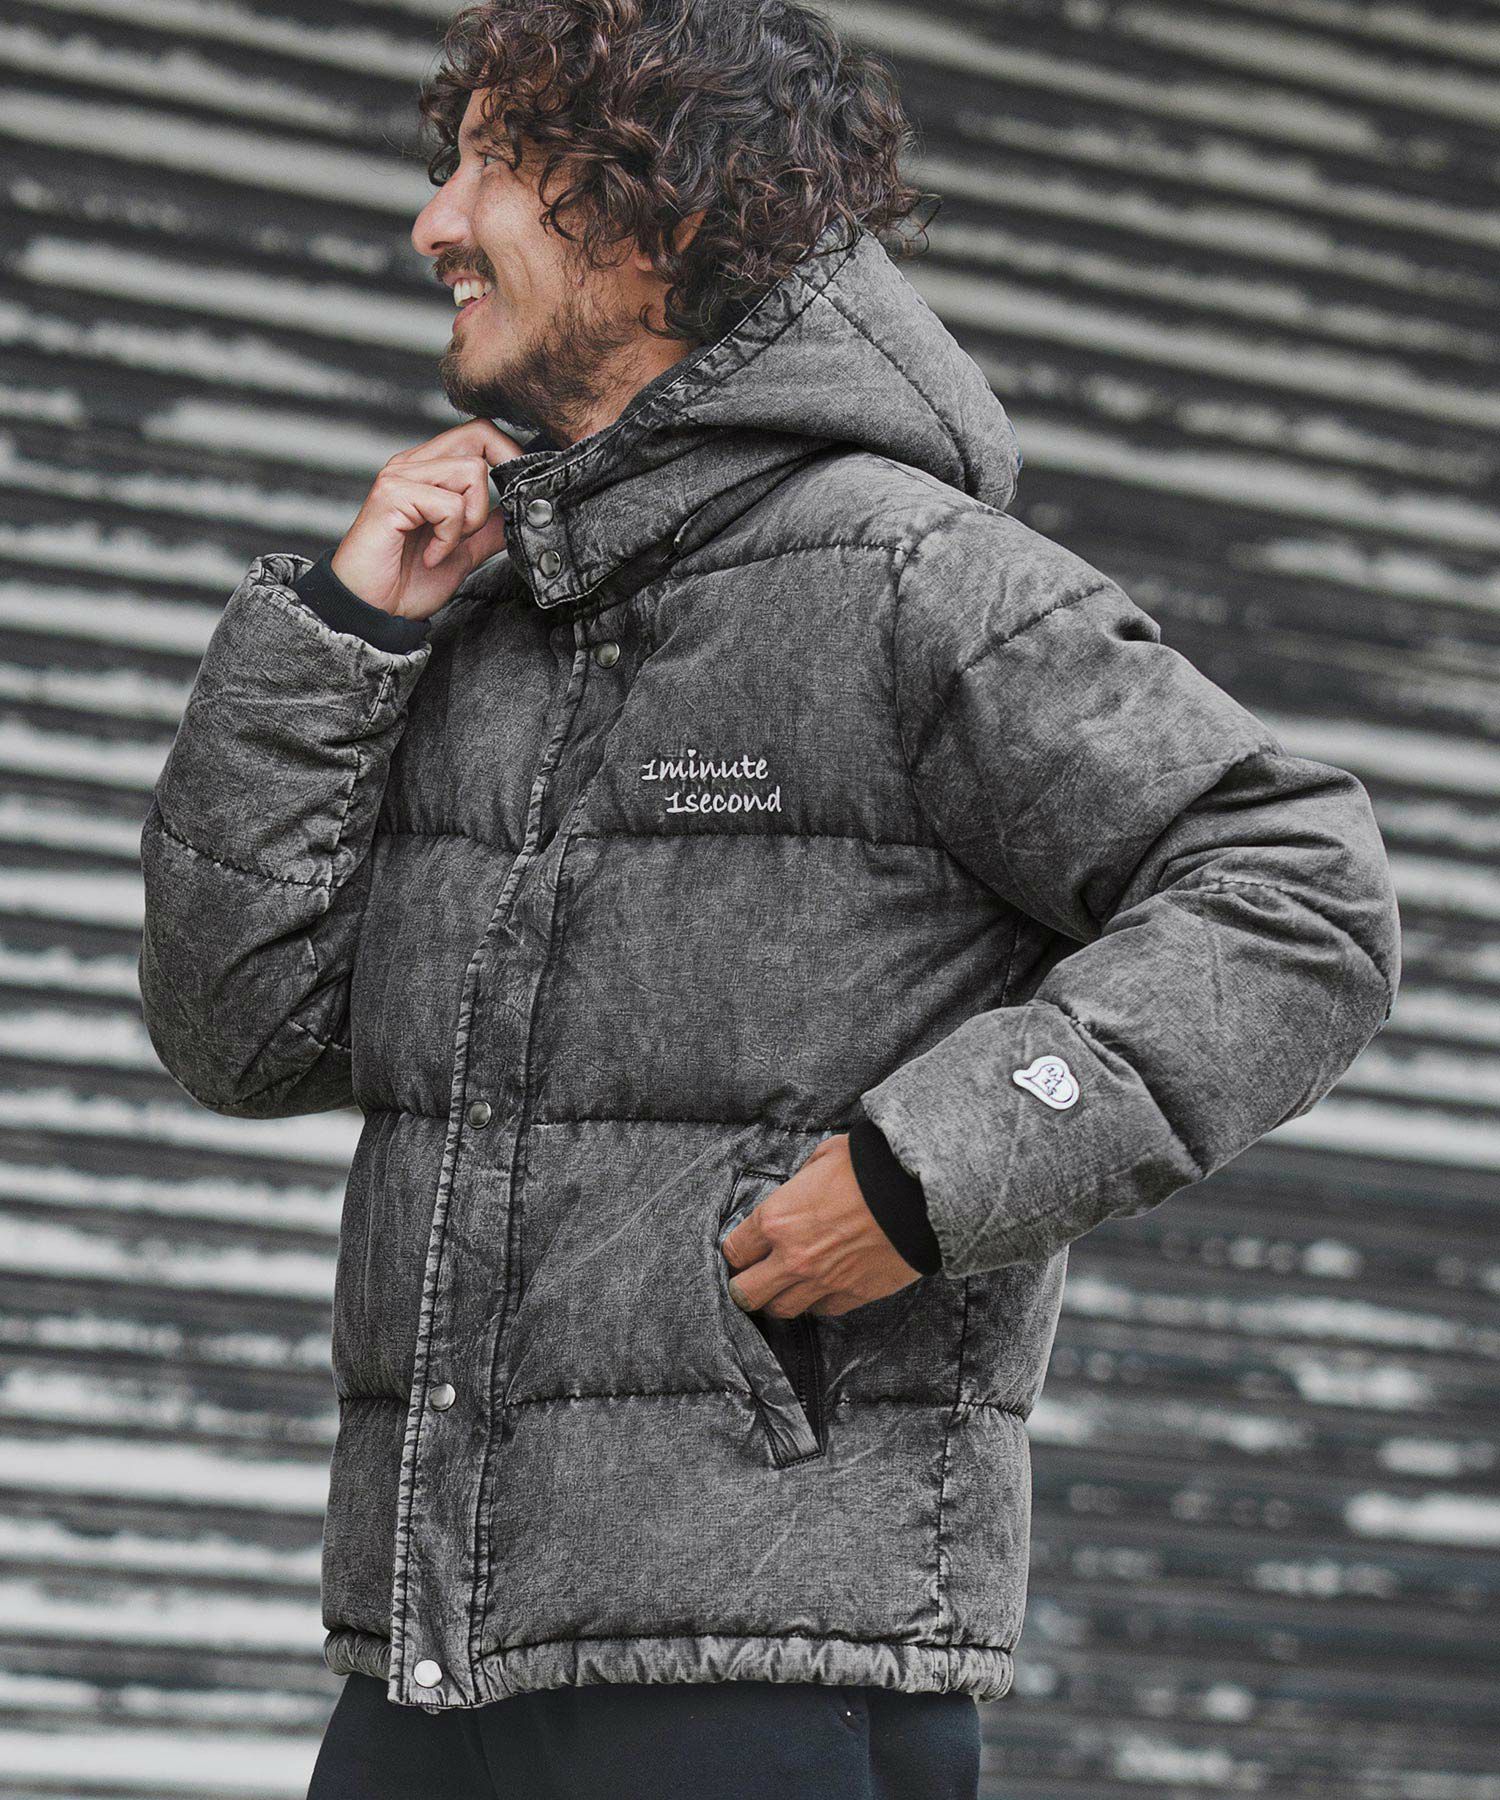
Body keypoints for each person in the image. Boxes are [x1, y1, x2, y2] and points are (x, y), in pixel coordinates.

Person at [135, 2, 1403, 1796]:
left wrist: (925, 1171)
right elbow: (241, 1035)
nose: (433, 223)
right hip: (437, 1663)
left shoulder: (913, 579)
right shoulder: (485, 616)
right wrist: (343, 640)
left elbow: (1297, 894)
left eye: (493, 167)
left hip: (765, 1663)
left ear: (658, 214)